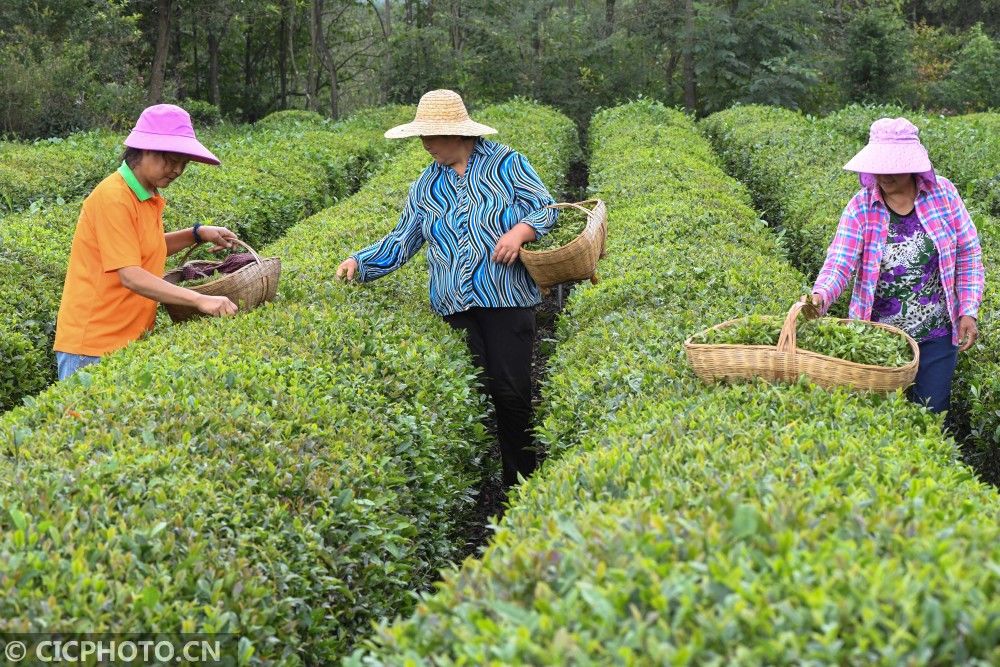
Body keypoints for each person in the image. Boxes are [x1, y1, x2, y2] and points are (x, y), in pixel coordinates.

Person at [337, 89, 558, 489]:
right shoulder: (426, 185)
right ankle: (480, 483)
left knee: (511, 393)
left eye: (432, 136)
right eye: (422, 137)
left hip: (506, 299)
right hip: (453, 305)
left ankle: (522, 484)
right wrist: (360, 262)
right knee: (474, 395)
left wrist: (518, 233)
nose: (426, 145)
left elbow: (545, 207)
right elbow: (403, 239)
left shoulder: (507, 163)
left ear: (458, 133)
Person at [811, 117, 985, 413]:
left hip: (937, 335)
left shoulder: (943, 194)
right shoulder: (861, 206)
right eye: (878, 166)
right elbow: (839, 263)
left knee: (930, 414)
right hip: (879, 338)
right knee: (881, 417)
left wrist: (968, 309)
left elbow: (968, 253)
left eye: (891, 167)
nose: (883, 175)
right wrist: (819, 297)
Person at [54, 104, 240, 380]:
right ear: (143, 150)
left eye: (183, 163)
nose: (177, 170)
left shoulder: (146, 195)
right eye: (171, 160)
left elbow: (142, 248)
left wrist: (197, 233)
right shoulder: (113, 197)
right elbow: (131, 275)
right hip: (93, 347)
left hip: (126, 341)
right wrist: (199, 300)